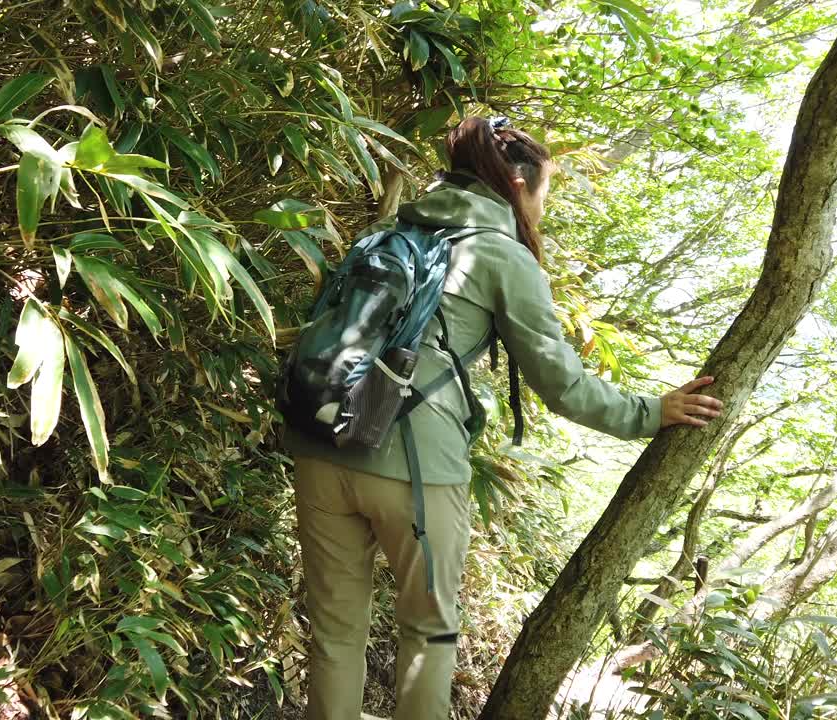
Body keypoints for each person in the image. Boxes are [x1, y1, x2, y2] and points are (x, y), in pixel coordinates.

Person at [285, 116, 724, 720]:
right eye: (546, 189)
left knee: (334, 637)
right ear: (518, 185)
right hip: (415, 469)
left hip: (320, 445)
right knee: (428, 635)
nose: (545, 205)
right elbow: (562, 383)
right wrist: (651, 411)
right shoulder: (501, 256)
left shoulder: (390, 232)